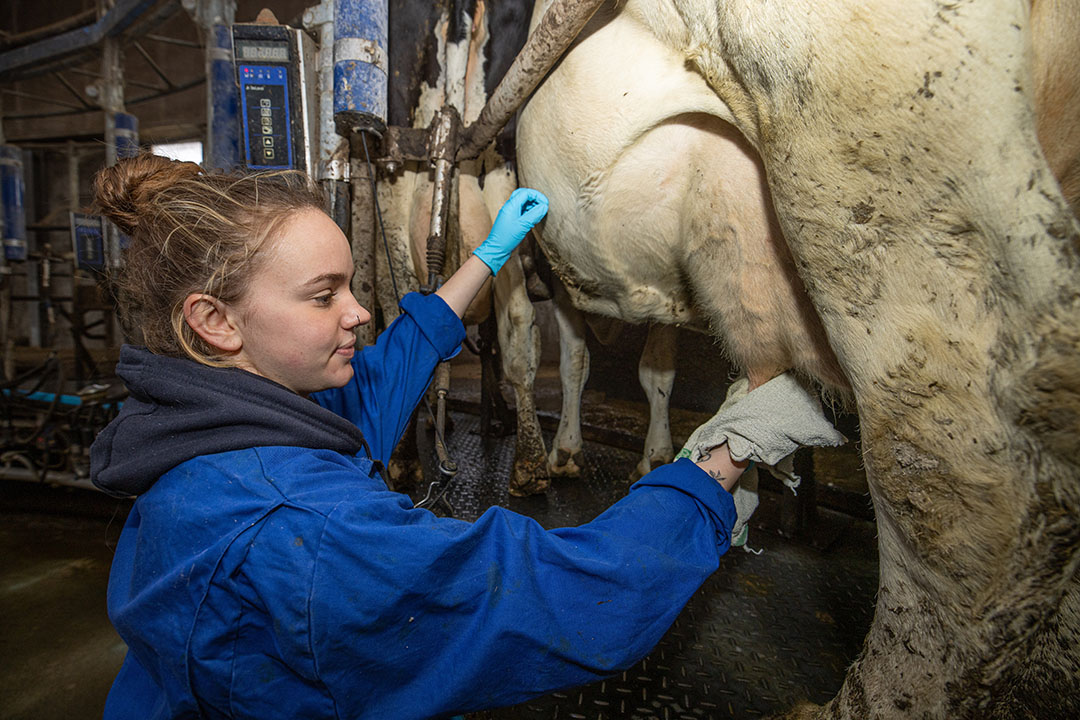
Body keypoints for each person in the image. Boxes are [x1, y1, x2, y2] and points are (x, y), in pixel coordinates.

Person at [90, 153, 840, 720]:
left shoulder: (205, 430)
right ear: (215, 322)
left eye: (351, 285)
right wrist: (728, 450)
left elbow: (391, 368)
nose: (357, 313)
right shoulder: (309, 530)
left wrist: (487, 258)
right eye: (325, 295)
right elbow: (567, 596)